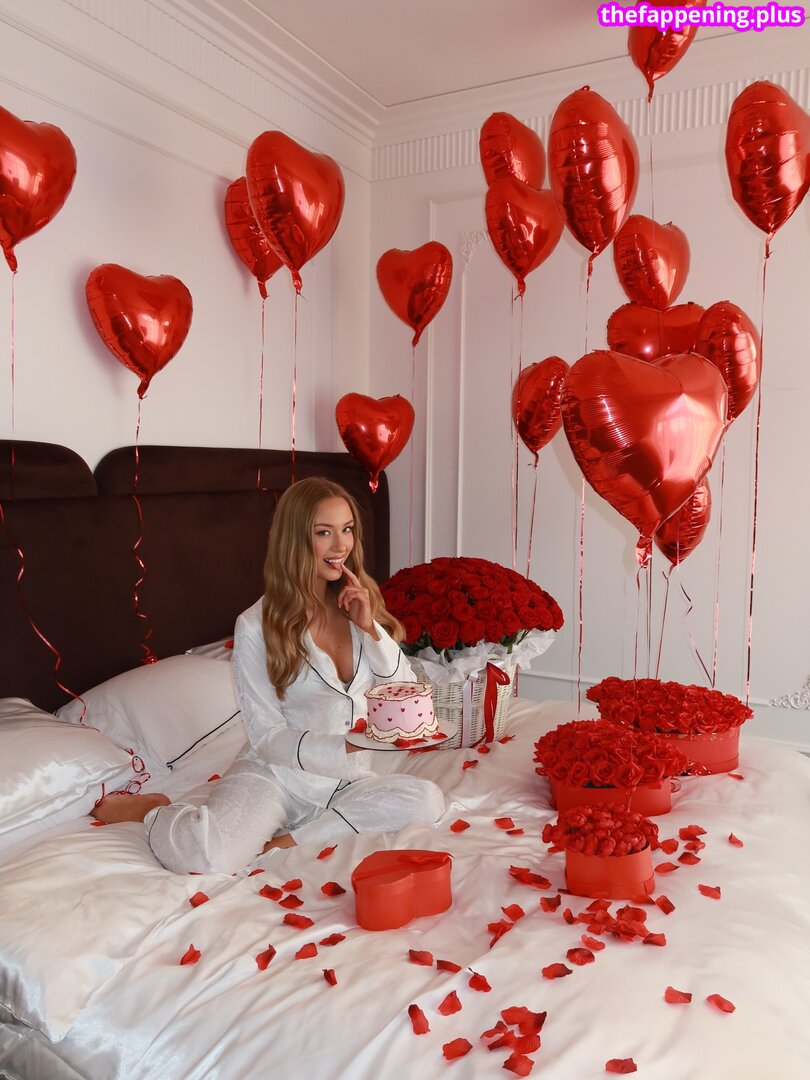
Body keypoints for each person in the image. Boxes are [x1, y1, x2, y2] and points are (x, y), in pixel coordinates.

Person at [93, 477, 445, 873]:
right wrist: (347, 745)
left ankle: (292, 840)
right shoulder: (255, 626)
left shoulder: (358, 604)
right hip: (278, 776)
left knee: (426, 800)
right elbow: (267, 736)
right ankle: (152, 811)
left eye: (347, 529)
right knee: (206, 857)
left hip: (345, 780)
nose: (341, 545)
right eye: (324, 533)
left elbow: (404, 694)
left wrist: (371, 629)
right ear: (294, 540)